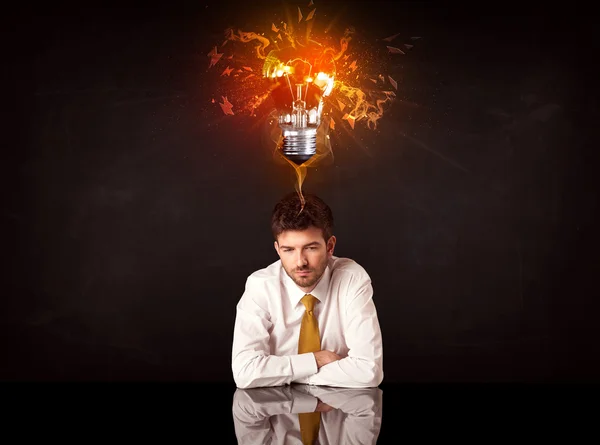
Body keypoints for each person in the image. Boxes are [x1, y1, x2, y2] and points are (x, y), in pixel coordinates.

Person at [231, 192, 383, 388]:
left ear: (330, 246)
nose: (300, 262)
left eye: (310, 248)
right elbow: (245, 372)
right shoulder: (260, 286)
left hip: (338, 412)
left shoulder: (351, 279)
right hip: (277, 413)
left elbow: (368, 371)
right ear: (277, 250)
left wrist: (282, 374)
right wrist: (316, 360)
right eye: (288, 250)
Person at [232, 384, 383, 445]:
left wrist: (311, 404)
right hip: (343, 395)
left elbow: (246, 408)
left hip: (275, 392)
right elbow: (367, 406)